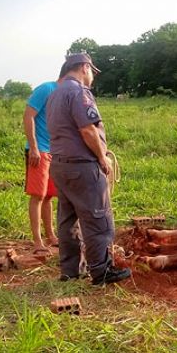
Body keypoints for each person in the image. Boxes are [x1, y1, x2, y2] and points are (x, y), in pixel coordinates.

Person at [46, 53, 131, 285]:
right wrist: (102, 156)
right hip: (82, 167)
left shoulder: (54, 95)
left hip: (60, 166)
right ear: (84, 67)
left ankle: (69, 270)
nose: (92, 77)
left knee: (67, 219)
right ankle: (101, 271)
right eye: (92, 71)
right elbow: (87, 130)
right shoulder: (79, 93)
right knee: (98, 218)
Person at [23, 66, 66, 254]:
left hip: (54, 151)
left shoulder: (67, 95)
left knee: (49, 196)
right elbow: (28, 116)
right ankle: (37, 241)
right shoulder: (46, 89)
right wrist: (33, 147)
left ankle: (51, 236)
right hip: (39, 151)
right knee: (38, 195)